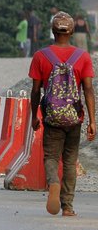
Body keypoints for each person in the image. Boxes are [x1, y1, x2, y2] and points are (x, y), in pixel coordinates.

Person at [29, 11, 95, 216]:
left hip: (52, 117)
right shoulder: (82, 57)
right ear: (72, 31)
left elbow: (35, 90)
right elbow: (88, 90)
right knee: (69, 160)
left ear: (52, 30)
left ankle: (53, 183)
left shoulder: (41, 56)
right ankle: (68, 206)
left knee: (50, 157)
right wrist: (93, 121)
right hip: (74, 118)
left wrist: (34, 116)